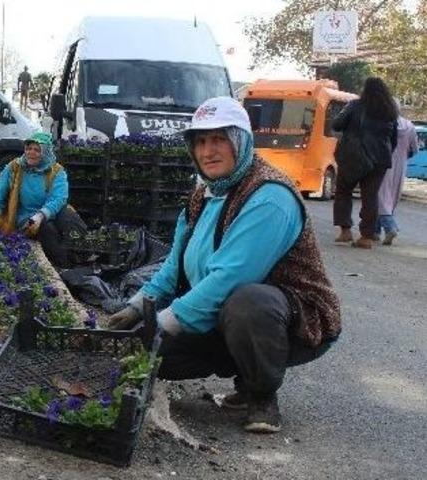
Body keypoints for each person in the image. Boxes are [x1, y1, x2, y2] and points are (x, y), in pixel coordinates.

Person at [107, 97, 341, 434]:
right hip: (221, 312)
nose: (208, 151)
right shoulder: (204, 194)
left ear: (241, 140)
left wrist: (161, 323)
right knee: (150, 352)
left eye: (219, 139)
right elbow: (174, 265)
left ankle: (259, 393)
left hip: (297, 320)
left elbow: (231, 278)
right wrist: (136, 308)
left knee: (247, 302)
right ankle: (241, 364)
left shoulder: (269, 195)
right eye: (200, 141)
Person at [0, 132, 87, 268]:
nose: (31, 153)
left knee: (70, 219)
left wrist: (41, 215)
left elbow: (59, 198)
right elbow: (0, 190)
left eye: (36, 150)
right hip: (27, 216)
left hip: (49, 212)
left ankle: (79, 255)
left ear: (45, 152)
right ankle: (65, 266)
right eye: (28, 149)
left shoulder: (57, 171)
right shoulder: (14, 167)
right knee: (47, 229)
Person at [332, 77, 398, 249]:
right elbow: (394, 139)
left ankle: (345, 230)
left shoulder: (355, 106)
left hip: (354, 156)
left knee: (343, 192)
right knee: (370, 196)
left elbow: (337, 124)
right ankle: (367, 237)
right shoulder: (390, 111)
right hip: (380, 160)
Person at [376, 114, 418, 245]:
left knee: (380, 197)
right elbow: (414, 148)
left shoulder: (382, 122)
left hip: (383, 163)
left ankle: (390, 227)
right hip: (401, 165)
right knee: (392, 197)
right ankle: (375, 230)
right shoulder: (409, 126)